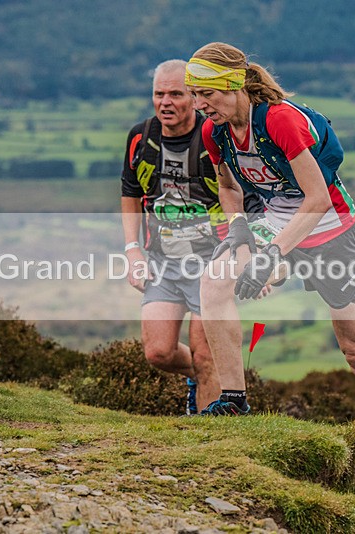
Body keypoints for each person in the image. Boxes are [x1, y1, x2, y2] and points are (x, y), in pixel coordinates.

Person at [185, 43, 355, 460]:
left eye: (208, 94)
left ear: (235, 84)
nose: (200, 104)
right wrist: (240, 230)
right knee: (215, 279)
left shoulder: (280, 121)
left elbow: (316, 200)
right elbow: (228, 187)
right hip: (275, 220)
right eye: (195, 94)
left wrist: (270, 256)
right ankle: (234, 398)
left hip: (331, 227)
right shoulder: (215, 131)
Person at [121, 59, 261, 415]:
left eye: (176, 94)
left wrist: (251, 258)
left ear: (194, 97)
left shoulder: (214, 136)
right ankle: (199, 379)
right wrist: (132, 250)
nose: (166, 102)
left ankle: (208, 437)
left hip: (212, 262)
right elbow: (129, 194)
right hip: (162, 261)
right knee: (158, 352)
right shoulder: (141, 137)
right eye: (159, 94)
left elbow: (244, 195)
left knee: (205, 353)